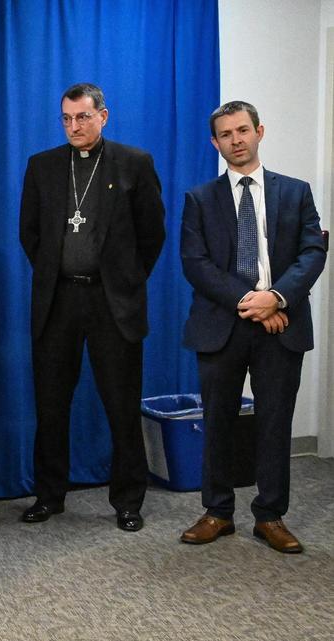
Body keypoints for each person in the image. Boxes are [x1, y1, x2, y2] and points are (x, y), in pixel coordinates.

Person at [178, 101, 326, 553]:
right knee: (218, 421)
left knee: (275, 422)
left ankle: (270, 515)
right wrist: (252, 302)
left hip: (281, 324)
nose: (235, 140)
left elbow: (312, 253)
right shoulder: (200, 199)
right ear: (215, 143)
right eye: (225, 134)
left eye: (242, 130)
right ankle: (218, 512)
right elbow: (195, 263)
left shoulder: (296, 192)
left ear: (259, 132)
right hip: (221, 324)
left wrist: (276, 298)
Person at [18, 83, 165, 532]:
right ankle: (49, 495)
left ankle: (128, 501)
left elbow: (152, 234)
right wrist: (58, 272)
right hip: (58, 300)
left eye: (82, 117)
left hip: (111, 301)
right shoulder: (42, 166)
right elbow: (30, 234)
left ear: (103, 115)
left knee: (121, 406)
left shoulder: (134, 162)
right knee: (51, 405)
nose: (74, 126)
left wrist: (123, 280)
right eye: (66, 119)